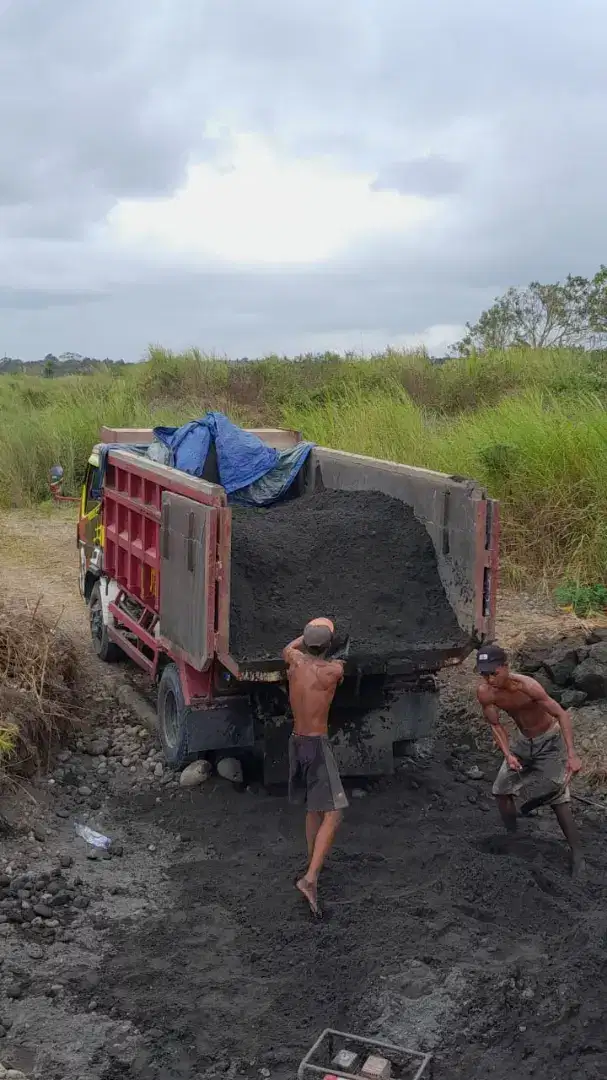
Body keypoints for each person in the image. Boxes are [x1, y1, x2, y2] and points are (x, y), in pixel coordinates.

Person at [476, 643, 584, 875]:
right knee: (500, 790)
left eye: (493, 672)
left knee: (557, 797)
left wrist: (572, 754)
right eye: (484, 674)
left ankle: (577, 853)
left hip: (549, 741)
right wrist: (508, 754)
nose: (489, 679)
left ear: (505, 667)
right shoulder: (486, 693)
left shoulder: (528, 686)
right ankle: (513, 838)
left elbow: (561, 714)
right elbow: (495, 725)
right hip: (523, 743)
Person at [283, 618, 348, 917]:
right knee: (334, 814)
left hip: (296, 742)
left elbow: (290, 647)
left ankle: (313, 862)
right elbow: (339, 666)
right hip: (318, 746)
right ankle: (309, 879)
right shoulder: (333, 671)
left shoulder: (293, 661)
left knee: (313, 808)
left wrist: (306, 633)